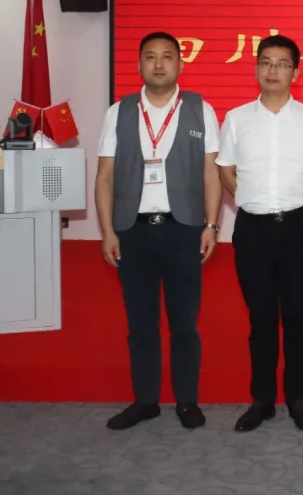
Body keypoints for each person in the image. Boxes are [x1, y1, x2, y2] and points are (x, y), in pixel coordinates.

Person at [95, 31, 222, 430]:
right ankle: (146, 401)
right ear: (139, 65)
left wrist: (211, 225)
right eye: (150, 56)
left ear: (180, 63)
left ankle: (186, 401)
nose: (159, 63)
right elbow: (104, 176)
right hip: (132, 231)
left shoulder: (201, 109)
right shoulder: (119, 112)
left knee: (184, 322)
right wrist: (108, 231)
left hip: (183, 229)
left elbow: (211, 174)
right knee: (141, 322)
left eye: (167, 56)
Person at [216, 35, 303, 433]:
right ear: (256, 68)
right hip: (252, 229)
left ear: (295, 73)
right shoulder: (236, 118)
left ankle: (298, 398)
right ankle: (262, 400)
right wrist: (247, 198)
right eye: (266, 62)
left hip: (298, 227)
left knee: (298, 318)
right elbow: (225, 169)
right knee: (262, 319)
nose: (273, 70)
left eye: (282, 64)